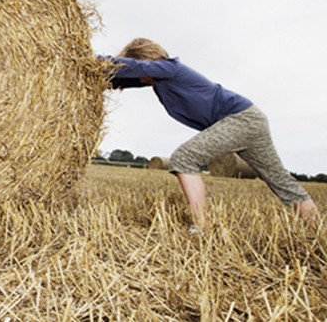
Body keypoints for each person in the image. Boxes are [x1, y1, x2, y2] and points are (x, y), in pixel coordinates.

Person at [103, 37, 320, 231]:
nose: (138, 76)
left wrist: (82, 55)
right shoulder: (159, 79)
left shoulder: (169, 68)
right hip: (250, 118)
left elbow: (130, 67)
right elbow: (119, 78)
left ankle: (202, 227)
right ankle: (317, 230)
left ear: (145, 60)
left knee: (184, 157)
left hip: (241, 119)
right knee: (280, 180)